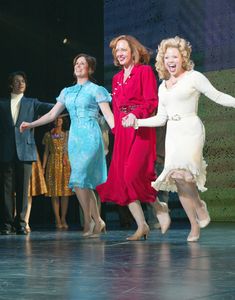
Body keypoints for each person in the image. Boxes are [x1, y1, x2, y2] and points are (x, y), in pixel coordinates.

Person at [125, 36, 235, 242]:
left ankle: (200, 207)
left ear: (183, 58)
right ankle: (194, 225)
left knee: (187, 176)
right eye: (167, 57)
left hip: (191, 128)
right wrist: (138, 122)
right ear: (162, 60)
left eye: (174, 56)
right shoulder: (163, 86)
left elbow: (218, 96)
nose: (170, 60)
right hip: (173, 132)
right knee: (176, 177)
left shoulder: (194, 77)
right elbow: (161, 118)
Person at [20, 54, 114, 237]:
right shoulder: (67, 92)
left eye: (82, 64)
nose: (78, 66)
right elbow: (51, 115)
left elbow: (109, 116)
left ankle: (88, 221)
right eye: (76, 63)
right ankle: (98, 220)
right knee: (80, 182)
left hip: (91, 137)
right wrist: (31, 124)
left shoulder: (97, 90)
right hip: (75, 139)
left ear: (90, 69)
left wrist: (120, 131)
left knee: (81, 177)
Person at [96, 35, 171, 241]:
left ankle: (159, 207)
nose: (119, 54)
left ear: (133, 51)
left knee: (132, 175)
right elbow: (117, 109)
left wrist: (135, 115)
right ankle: (142, 225)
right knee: (121, 181)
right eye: (116, 51)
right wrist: (117, 130)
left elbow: (151, 102)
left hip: (140, 130)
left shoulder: (144, 71)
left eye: (123, 49)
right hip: (122, 133)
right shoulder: (116, 78)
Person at [0, 71, 53, 235]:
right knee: (6, 190)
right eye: (17, 81)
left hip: (26, 150)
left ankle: (21, 224)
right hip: (6, 150)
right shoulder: (2, 103)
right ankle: (7, 224)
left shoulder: (32, 103)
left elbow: (53, 109)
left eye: (23, 81)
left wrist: (71, 102)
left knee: (24, 189)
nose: (20, 83)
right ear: (11, 84)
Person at [42, 116, 73, 229]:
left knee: (65, 193)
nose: (58, 121)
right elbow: (46, 152)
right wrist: (43, 167)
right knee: (54, 193)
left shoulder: (67, 134)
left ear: (63, 121)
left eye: (60, 119)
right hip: (53, 164)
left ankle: (64, 217)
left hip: (65, 164)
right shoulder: (48, 135)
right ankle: (57, 218)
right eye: (56, 119)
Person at [25, 149, 48, 233]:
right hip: (14, 155)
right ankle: (15, 219)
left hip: (29, 153)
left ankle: (26, 221)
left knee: (29, 190)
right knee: (14, 192)